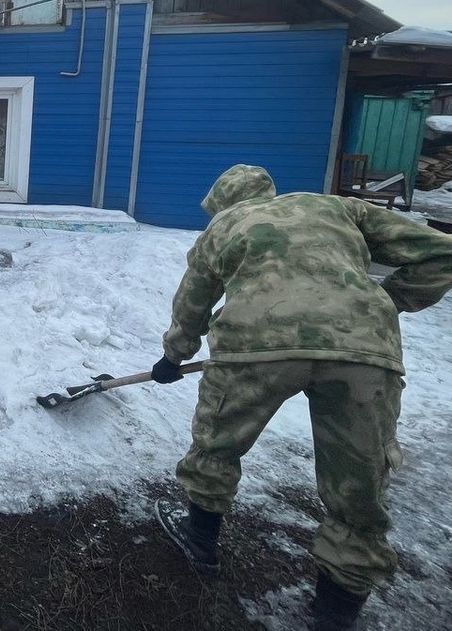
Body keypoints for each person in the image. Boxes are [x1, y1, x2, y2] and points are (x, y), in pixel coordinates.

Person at [150, 163, 452, 631]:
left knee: (217, 443)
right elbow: (443, 251)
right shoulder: (339, 208)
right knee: (358, 479)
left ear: (220, 202)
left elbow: (192, 303)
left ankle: (199, 537)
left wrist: (173, 356)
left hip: (254, 349)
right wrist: (383, 303)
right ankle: (336, 611)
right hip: (363, 351)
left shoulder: (223, 227)